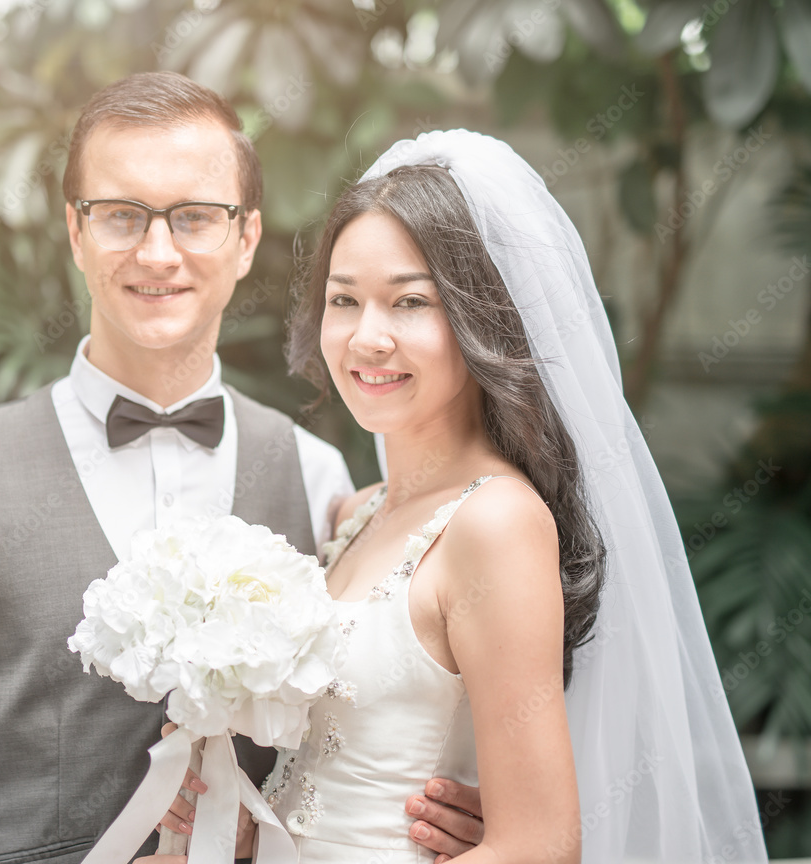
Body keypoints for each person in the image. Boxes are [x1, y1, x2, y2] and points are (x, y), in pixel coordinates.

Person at [0, 74, 482, 864]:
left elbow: (368, 725)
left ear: (247, 238)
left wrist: (454, 802)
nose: (156, 252)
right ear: (75, 233)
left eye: (195, 217)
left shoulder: (317, 477)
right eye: (121, 216)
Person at [256, 130, 770, 863]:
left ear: (477, 319)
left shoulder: (493, 523)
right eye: (344, 300)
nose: (367, 337)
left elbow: (537, 846)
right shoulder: (358, 513)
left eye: (409, 302)